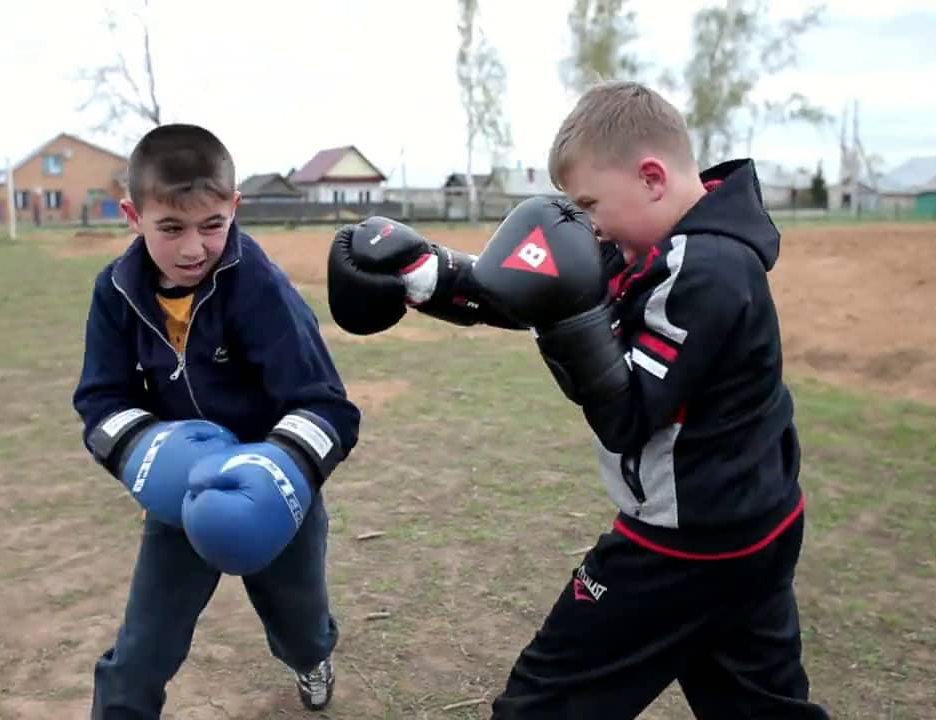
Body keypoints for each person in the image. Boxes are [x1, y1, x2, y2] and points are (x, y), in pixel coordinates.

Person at [326, 80, 829, 719]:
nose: (587, 224)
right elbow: (556, 287)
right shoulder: (668, 243)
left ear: (651, 177)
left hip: (686, 545)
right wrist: (433, 276)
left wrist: (560, 317)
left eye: (590, 204)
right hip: (753, 524)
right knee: (759, 708)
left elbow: (624, 412)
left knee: (543, 706)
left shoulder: (701, 268)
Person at [73, 123, 361, 719]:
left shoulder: (259, 287)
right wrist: (149, 454)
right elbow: (99, 402)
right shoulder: (116, 293)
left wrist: (281, 467)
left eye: (212, 225)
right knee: (139, 653)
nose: (192, 248)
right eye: (170, 227)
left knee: (301, 627)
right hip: (180, 491)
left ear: (236, 207)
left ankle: (312, 659)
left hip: (278, 492)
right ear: (132, 214)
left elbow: (329, 407)